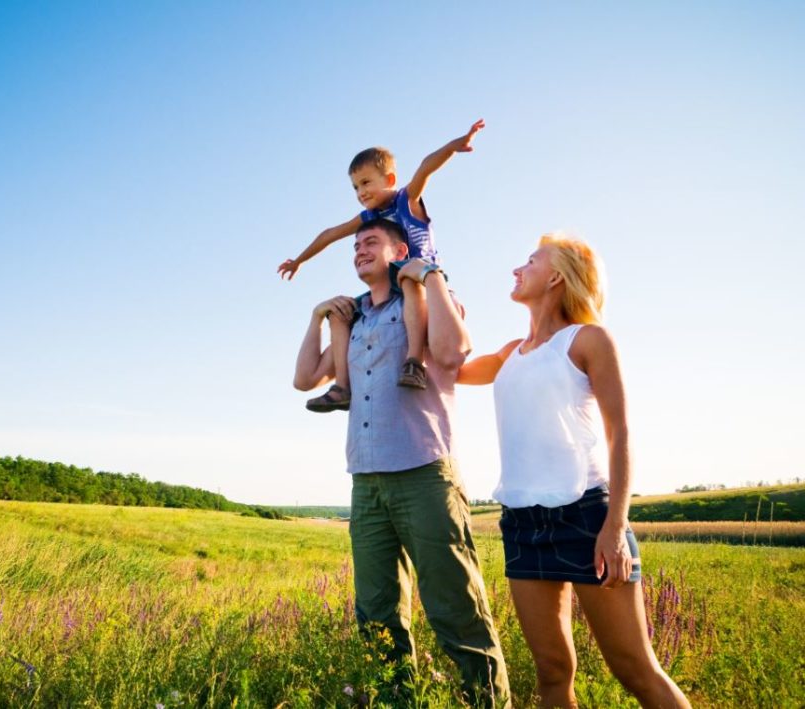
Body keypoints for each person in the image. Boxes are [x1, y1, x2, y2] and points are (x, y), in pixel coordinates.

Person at [448, 234, 691, 708]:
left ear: (556, 276)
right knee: (552, 673)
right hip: (521, 523)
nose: (517, 269)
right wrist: (438, 299)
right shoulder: (509, 353)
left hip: (586, 517)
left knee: (636, 670)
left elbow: (620, 434)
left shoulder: (589, 340)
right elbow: (449, 368)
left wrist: (615, 527)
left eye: (531, 261)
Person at [293, 219, 510, 706]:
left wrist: (429, 274)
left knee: (456, 608)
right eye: (354, 247)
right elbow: (304, 378)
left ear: (398, 250)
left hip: (423, 474)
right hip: (366, 484)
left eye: (370, 242)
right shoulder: (356, 320)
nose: (358, 251)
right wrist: (316, 317)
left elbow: (454, 353)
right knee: (376, 615)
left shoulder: (424, 300)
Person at [280, 120, 485, 412]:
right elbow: (330, 233)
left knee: (407, 279)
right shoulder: (368, 217)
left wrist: (454, 146)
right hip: (388, 289)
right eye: (355, 187)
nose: (361, 192)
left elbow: (426, 167)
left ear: (389, 180)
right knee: (341, 313)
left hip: (420, 279)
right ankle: (342, 387)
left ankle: (413, 361)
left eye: (366, 183)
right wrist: (300, 260)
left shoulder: (406, 200)